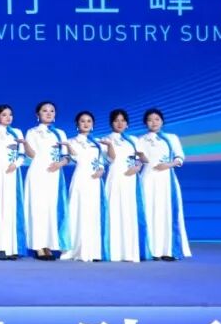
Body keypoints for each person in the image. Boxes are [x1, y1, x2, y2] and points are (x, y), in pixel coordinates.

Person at [138, 108, 192, 260]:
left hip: (166, 180)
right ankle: (151, 250)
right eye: (150, 120)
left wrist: (168, 165)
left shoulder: (171, 138)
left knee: (166, 212)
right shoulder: (140, 140)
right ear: (145, 123)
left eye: (157, 119)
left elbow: (180, 157)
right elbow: (139, 160)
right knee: (148, 212)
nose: (153, 122)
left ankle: (168, 250)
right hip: (147, 179)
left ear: (162, 121)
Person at [23, 101, 70, 260]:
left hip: (54, 174)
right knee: (38, 208)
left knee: (51, 209)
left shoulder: (60, 133)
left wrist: (60, 164)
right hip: (38, 173)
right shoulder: (32, 132)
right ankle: (39, 246)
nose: (49, 113)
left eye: (52, 111)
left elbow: (66, 156)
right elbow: (31, 154)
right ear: (38, 114)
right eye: (45, 111)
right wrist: (25, 145)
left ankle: (49, 244)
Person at [60, 111, 109, 262]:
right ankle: (74, 250)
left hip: (95, 180)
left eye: (89, 121)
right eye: (82, 121)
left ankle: (93, 251)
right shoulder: (71, 141)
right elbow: (75, 157)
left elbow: (102, 160)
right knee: (77, 211)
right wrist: (69, 147)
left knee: (92, 213)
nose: (86, 124)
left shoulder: (98, 143)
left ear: (93, 124)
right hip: (81, 178)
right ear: (77, 124)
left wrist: (101, 169)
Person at [101, 108, 148, 263]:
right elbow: (110, 159)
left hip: (131, 178)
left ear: (127, 123)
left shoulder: (134, 140)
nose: (120, 123)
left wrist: (138, 166)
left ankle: (129, 252)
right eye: (116, 120)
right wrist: (109, 145)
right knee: (114, 211)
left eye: (123, 120)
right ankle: (113, 251)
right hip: (115, 177)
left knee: (129, 213)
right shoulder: (105, 139)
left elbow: (143, 159)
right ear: (111, 123)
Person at [0, 104, 26, 260]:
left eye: (10, 114)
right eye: (4, 115)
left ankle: (10, 247)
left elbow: (22, 154)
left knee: (9, 208)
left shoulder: (17, 132)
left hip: (11, 171)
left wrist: (16, 164)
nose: (8, 117)